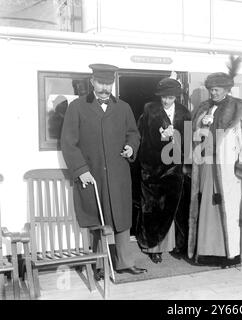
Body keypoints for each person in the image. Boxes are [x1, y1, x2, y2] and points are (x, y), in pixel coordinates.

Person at [61, 63, 147, 279]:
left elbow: (133, 134)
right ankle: (99, 266)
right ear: (92, 82)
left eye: (109, 83)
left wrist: (131, 147)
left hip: (118, 174)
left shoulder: (124, 108)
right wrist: (81, 170)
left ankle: (124, 262)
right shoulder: (77, 107)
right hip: (93, 173)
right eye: (101, 82)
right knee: (97, 218)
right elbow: (68, 143)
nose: (105, 88)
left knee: (121, 218)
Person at [187, 56, 242, 267]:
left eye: (217, 89)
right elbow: (196, 136)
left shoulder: (238, 109)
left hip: (229, 170)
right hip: (207, 166)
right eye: (211, 89)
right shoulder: (203, 109)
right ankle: (208, 252)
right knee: (208, 206)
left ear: (227, 89)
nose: (214, 93)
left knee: (228, 208)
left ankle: (231, 253)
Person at [135, 76, 191, 263]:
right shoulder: (150, 110)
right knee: (152, 209)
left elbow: (189, 142)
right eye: (163, 97)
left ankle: (177, 245)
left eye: (170, 97)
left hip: (174, 168)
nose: (166, 101)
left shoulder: (184, 113)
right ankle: (153, 247)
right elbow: (140, 136)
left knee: (173, 208)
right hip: (152, 168)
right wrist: (159, 139)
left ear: (176, 96)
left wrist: (174, 139)